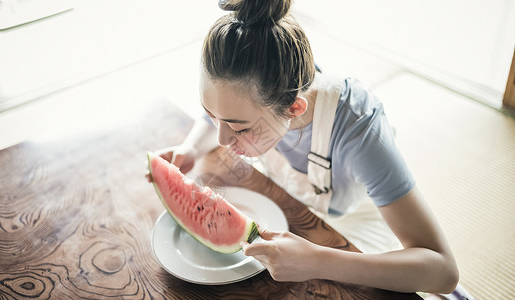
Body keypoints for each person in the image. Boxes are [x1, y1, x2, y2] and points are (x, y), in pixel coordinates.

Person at [150, 0, 460, 295]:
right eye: (212, 114)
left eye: (239, 128)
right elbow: (221, 112)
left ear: (294, 109)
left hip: (351, 224)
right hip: (291, 208)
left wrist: (317, 260)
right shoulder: (260, 87)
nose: (221, 139)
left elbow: (443, 270)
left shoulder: (359, 129)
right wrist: (191, 147)